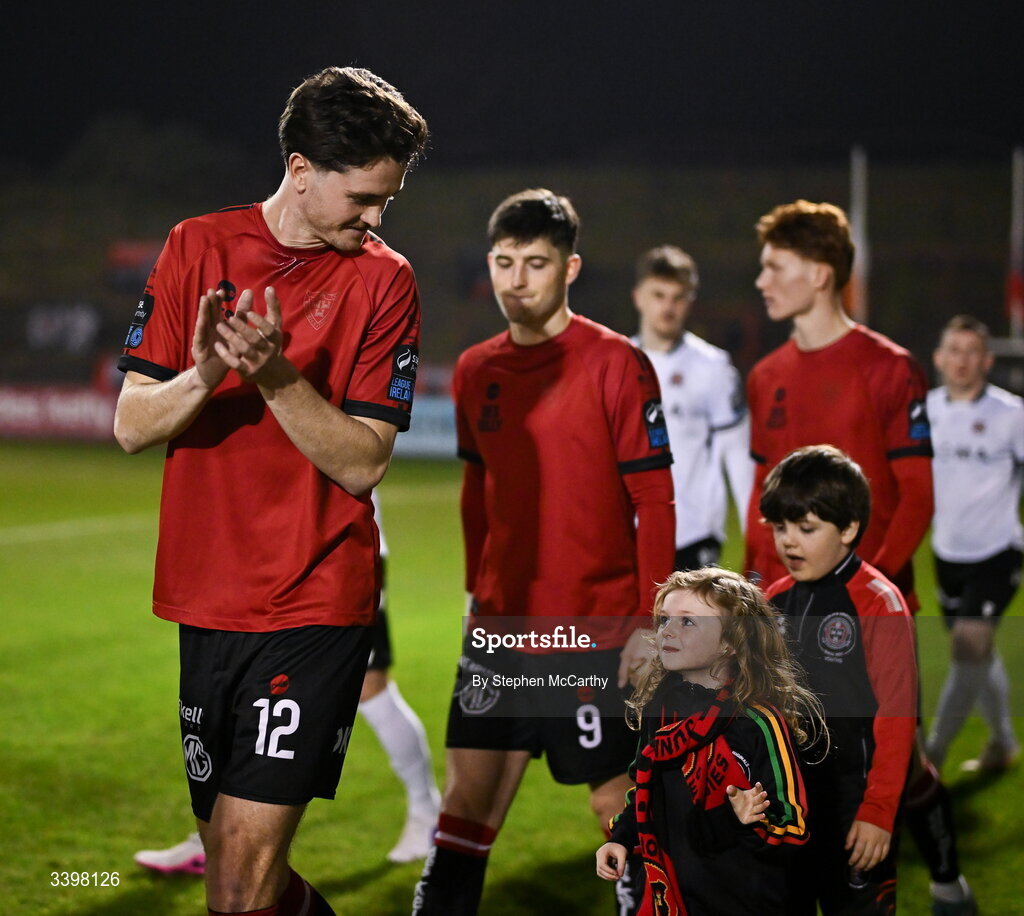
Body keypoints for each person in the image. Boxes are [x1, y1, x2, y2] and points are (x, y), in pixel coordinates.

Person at [114, 66, 428, 916]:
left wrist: (278, 377)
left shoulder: (385, 281)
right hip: (206, 599)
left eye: (385, 205)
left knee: (246, 872)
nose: (373, 221)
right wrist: (208, 372)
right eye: (363, 198)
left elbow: (363, 463)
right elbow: (133, 424)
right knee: (232, 875)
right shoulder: (195, 247)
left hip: (315, 599)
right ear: (300, 170)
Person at [411, 189, 675, 915]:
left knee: (615, 803)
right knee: (466, 804)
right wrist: (476, 592)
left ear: (570, 268)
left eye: (535, 263)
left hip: (590, 629)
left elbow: (655, 502)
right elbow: (477, 494)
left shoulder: (618, 363)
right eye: (503, 262)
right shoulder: (475, 370)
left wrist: (652, 625)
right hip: (498, 629)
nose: (516, 279)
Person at [743, 200, 976, 915]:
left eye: (774, 267)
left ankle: (945, 878)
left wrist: (859, 581)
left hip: (870, 611)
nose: (760, 280)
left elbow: (916, 495)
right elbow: (761, 498)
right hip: (790, 606)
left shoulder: (889, 366)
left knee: (891, 761)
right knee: (804, 760)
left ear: (818, 274)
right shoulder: (766, 375)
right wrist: (761, 592)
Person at [132, 495, 441, 876]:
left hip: (334, 552)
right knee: (239, 691)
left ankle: (427, 812)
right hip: (262, 557)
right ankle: (214, 835)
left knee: (370, 687)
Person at [595, 567, 817, 915]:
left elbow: (794, 825)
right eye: (664, 619)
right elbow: (642, 789)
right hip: (673, 895)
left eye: (688, 622)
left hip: (744, 901)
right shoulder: (661, 709)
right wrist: (622, 839)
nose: (667, 631)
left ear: (731, 641)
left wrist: (749, 820)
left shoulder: (760, 722)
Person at [761, 445, 919, 915]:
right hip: (788, 807)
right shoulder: (774, 600)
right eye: (781, 528)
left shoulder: (878, 602)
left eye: (806, 529)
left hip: (855, 807)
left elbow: (897, 719)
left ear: (848, 529)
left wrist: (878, 812)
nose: (789, 542)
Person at [924, 315, 1022, 774]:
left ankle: (932, 757)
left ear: (987, 360)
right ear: (939, 358)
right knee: (980, 656)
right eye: (953, 350)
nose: (962, 361)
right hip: (948, 555)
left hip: (997, 551)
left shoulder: (1011, 414)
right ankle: (1004, 743)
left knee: (968, 647)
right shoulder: (925, 411)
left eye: (971, 351)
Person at [630, 245, 753, 570]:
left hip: (695, 534)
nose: (668, 307)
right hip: (632, 534)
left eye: (678, 297)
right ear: (638, 297)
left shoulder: (714, 368)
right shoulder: (617, 364)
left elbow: (739, 460)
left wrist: (755, 546)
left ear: (690, 301)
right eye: (658, 295)